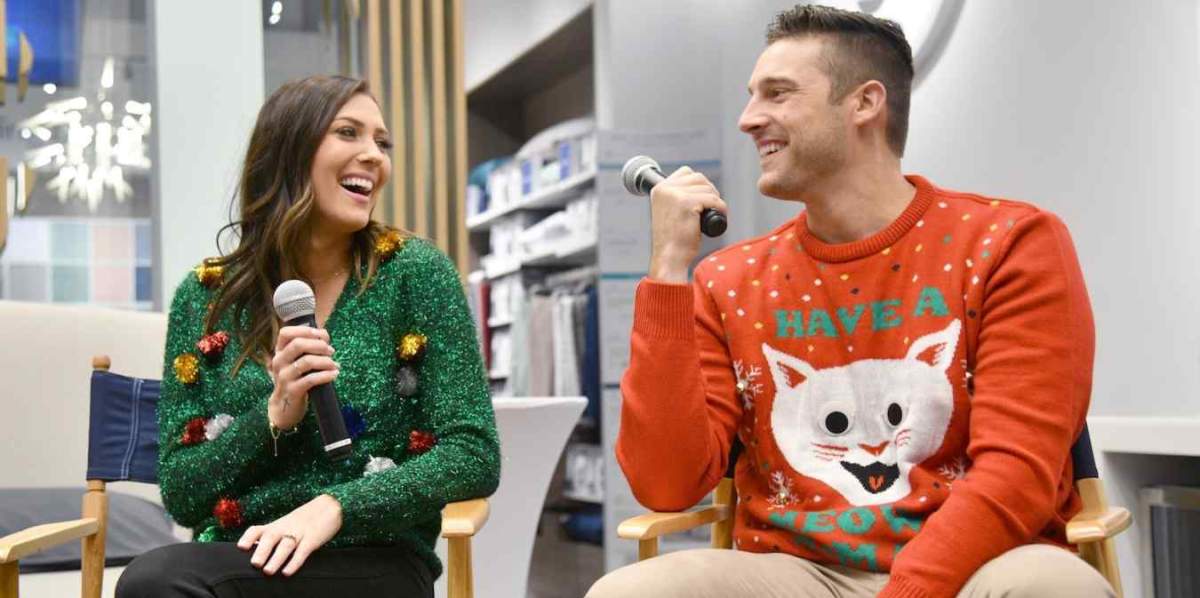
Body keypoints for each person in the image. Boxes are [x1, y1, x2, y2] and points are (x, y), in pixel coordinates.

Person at [588, 5, 1113, 598]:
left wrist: (909, 590)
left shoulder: (1010, 244)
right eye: (751, 96)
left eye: (777, 94)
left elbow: (1016, 476)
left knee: (1053, 587)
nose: (747, 119)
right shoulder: (727, 280)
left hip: (979, 564)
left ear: (865, 103)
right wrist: (667, 271)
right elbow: (665, 485)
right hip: (798, 570)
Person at [117, 75, 500, 598]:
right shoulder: (205, 297)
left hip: (374, 557)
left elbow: (473, 452)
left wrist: (336, 507)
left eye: (382, 142)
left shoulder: (414, 274)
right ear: (289, 150)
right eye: (348, 132)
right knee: (155, 580)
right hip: (242, 559)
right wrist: (274, 416)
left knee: (158, 581)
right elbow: (184, 496)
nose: (374, 156)